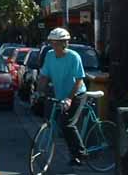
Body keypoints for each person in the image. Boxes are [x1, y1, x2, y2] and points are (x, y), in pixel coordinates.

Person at [37, 27, 87, 166]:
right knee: (57, 122)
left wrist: (70, 98)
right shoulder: (50, 55)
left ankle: (80, 154)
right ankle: (73, 152)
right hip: (60, 94)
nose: (55, 46)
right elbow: (44, 76)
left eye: (58, 43)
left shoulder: (74, 57)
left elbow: (79, 80)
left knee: (67, 123)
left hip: (76, 94)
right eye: (53, 43)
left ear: (65, 43)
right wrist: (39, 91)